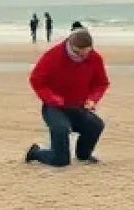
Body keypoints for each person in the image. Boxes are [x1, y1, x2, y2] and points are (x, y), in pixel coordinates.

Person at [25, 28, 109, 168]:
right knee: (61, 160)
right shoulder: (53, 56)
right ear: (69, 44)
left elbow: (101, 83)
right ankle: (35, 153)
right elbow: (36, 80)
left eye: (85, 54)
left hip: (78, 106)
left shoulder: (94, 58)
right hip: (54, 108)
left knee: (96, 124)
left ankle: (83, 155)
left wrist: (92, 99)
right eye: (77, 53)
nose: (81, 58)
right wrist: (52, 98)